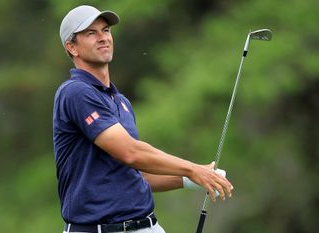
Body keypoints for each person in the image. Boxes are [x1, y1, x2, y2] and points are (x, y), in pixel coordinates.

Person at [53, 5, 234, 233]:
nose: (103, 38)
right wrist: (192, 169)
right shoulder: (74, 92)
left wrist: (192, 179)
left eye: (106, 30)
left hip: (147, 225)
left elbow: (139, 176)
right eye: (91, 33)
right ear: (72, 47)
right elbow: (131, 152)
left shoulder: (121, 102)